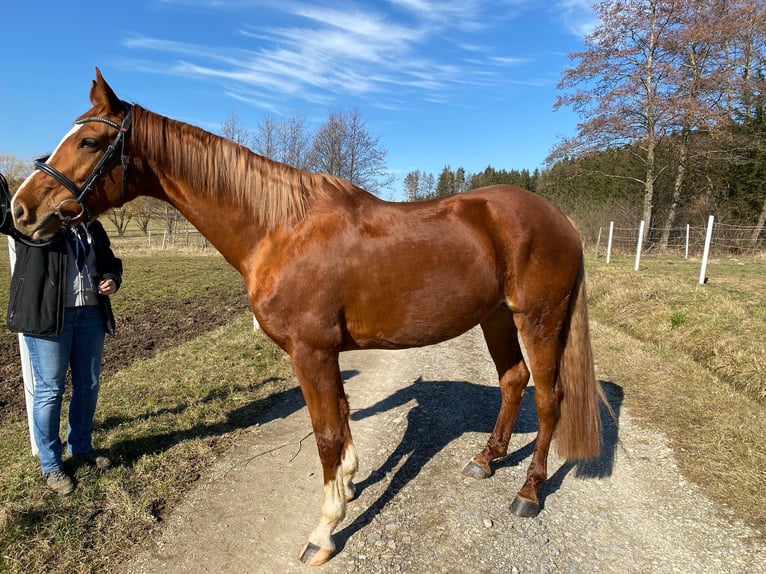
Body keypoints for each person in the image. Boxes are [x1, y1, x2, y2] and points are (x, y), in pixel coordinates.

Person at [4, 209, 123, 495]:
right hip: (49, 319)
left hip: (91, 313)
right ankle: (51, 464)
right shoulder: (34, 221)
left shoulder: (91, 225)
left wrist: (111, 278)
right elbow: (5, 219)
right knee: (50, 390)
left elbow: (109, 261)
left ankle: (81, 447)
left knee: (89, 385)